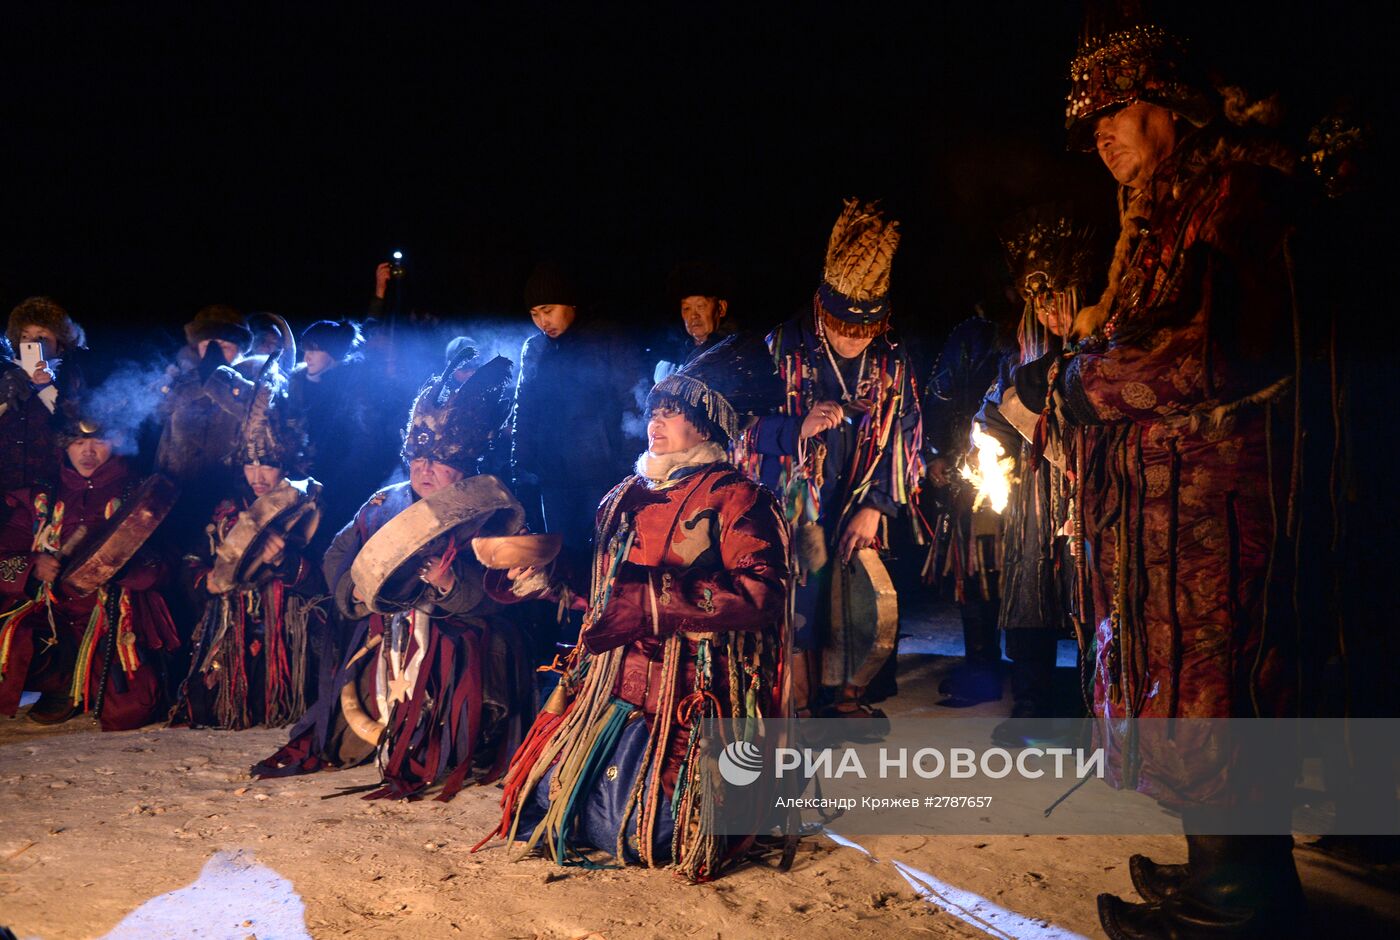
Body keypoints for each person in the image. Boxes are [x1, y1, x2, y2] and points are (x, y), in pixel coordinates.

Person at [1013, 21, 1313, 936]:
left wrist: (1079, 380)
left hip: (1216, 504)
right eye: (1092, 126)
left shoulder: (1235, 195)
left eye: (1115, 115)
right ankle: (1213, 869)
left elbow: (1216, 354)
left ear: (1167, 107)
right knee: (1172, 685)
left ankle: (1246, 895)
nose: (1102, 138)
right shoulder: (1153, 213)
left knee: (1217, 686)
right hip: (1159, 505)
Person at [479, 334, 789, 880]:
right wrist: (548, 577)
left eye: (673, 413)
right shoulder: (623, 494)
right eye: (655, 410)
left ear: (708, 427)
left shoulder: (739, 497)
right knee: (551, 805)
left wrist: (652, 602)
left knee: (655, 833)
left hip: (688, 688)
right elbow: (603, 585)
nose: (657, 421)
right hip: (611, 680)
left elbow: (762, 592)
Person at [254, 356, 534, 801]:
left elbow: (506, 593)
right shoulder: (384, 503)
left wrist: (448, 585)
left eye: (437, 461)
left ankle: (451, 743)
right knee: (340, 733)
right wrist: (359, 592)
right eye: (417, 458)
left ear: (463, 466)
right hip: (388, 635)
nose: (424, 469)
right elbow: (337, 554)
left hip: (459, 642)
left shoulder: (490, 510)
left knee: (462, 667)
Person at [742, 199, 922, 722]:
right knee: (800, 597)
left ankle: (847, 696)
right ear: (822, 311)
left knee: (858, 589)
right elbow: (740, 429)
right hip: (795, 502)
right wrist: (795, 427)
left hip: (857, 497)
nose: (852, 338)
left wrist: (878, 505)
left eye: (864, 329)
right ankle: (796, 703)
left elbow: (906, 435)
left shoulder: (890, 358)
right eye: (843, 327)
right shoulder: (780, 350)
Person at [973, 209, 1098, 741]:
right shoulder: (1019, 359)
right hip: (1034, 492)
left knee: (1094, 596)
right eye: (1040, 300)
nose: (1049, 309)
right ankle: (1030, 701)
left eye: (1059, 296)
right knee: (1029, 589)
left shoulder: (1108, 343)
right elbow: (990, 414)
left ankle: (1101, 711)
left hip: (1092, 488)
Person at [0, 411, 178, 730]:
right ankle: (59, 684)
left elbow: (166, 563)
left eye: (98, 441)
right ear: (65, 445)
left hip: (114, 610)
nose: (88, 451)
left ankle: (88, 686)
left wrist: (116, 566)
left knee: (129, 710)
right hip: (52, 610)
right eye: (79, 442)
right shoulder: (43, 495)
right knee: (12, 632)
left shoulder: (139, 493)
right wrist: (33, 566)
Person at [170, 377, 325, 730]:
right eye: (250, 465)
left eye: (268, 465)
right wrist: (207, 581)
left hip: (285, 639)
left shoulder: (310, 507)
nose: (258, 476)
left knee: (283, 704)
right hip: (231, 633)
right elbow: (190, 562)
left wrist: (285, 563)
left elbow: (326, 582)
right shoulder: (225, 511)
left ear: (287, 464)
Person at [510, 262, 644, 560]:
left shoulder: (607, 338)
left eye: (548, 310)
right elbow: (525, 408)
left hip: (601, 471)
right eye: (534, 314)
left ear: (570, 303)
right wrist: (521, 463)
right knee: (561, 555)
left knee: (602, 554)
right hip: (552, 474)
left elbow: (633, 401)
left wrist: (629, 465)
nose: (542, 321)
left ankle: (601, 607)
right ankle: (568, 608)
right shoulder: (535, 349)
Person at [920, 309, 1011, 707]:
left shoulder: (1049, 324)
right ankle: (982, 669)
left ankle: (1034, 680)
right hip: (975, 470)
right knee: (977, 570)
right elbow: (941, 395)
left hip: (1040, 472)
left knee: (1037, 571)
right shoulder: (974, 334)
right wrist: (940, 451)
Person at [288, 319, 375, 547]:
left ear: (333, 353)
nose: (307, 356)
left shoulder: (353, 390)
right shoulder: (295, 386)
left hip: (338, 488)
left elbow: (361, 446)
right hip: (299, 482)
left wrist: (337, 483)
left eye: (315, 350)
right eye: (306, 349)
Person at [1, 297, 87, 492]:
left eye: (42, 337)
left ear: (60, 344)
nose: (32, 343)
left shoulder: (73, 377)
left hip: (49, 492)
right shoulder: (6, 375)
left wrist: (46, 387)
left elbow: (76, 429)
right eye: (25, 336)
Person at [653, 261, 737, 381]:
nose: (694, 315)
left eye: (700, 306)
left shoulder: (738, 354)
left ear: (721, 308)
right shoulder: (668, 367)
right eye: (687, 308)